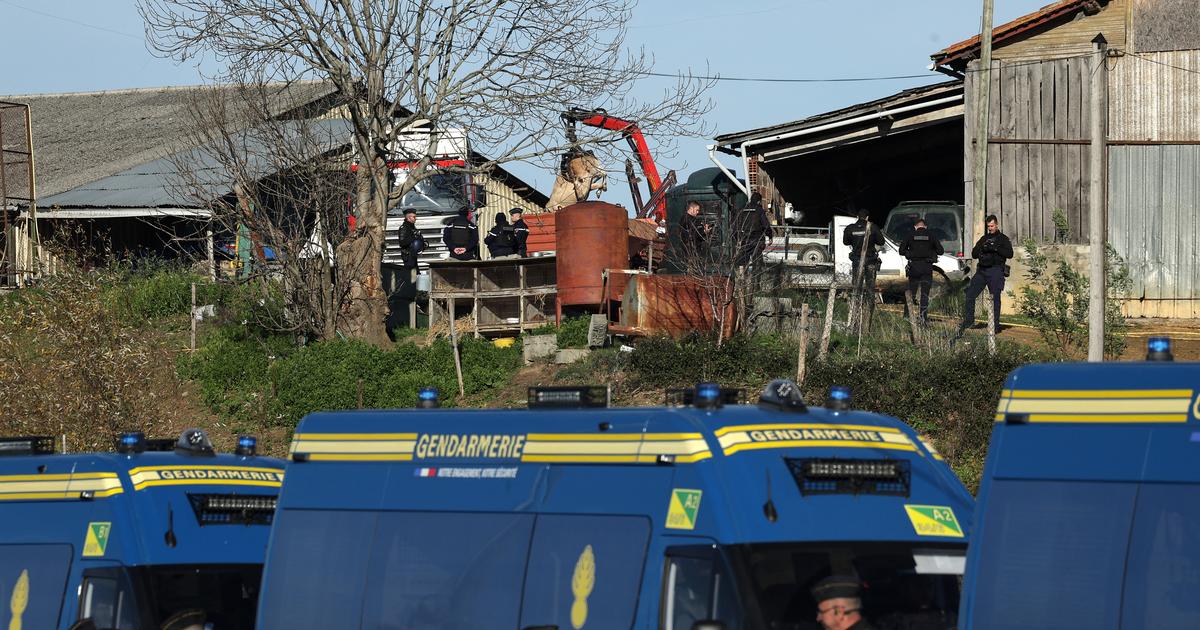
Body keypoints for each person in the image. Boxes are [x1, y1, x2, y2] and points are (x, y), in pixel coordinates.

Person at [958, 214, 1013, 336]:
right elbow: (974, 254)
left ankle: (995, 326)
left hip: (995, 271)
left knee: (995, 299)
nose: (990, 228)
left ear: (997, 224)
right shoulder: (984, 239)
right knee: (970, 294)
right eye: (988, 226)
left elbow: (1009, 254)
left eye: (992, 226)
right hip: (982, 271)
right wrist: (982, 247)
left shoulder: (1003, 239)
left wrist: (995, 248)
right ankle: (969, 321)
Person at [899, 218, 944, 324]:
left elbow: (901, 251)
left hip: (914, 267)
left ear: (915, 227)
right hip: (926, 267)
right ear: (925, 227)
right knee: (925, 294)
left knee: (911, 293)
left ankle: (907, 315)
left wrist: (910, 253)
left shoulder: (910, 235)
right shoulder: (931, 235)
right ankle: (923, 317)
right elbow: (940, 251)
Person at [842, 209, 885, 292]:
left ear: (857, 217)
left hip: (857, 259)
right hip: (870, 259)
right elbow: (881, 242)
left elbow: (845, 242)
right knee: (870, 285)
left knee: (857, 285)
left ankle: (856, 302)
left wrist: (854, 241)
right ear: (867, 217)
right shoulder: (873, 227)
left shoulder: (850, 228)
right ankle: (869, 303)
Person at [734, 192, 771, 265]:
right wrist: (770, 236)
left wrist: (738, 238)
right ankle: (756, 275)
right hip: (757, 240)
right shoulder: (759, 210)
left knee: (743, 261)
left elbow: (736, 226)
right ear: (759, 201)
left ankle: (743, 275)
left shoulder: (743, 210)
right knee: (757, 262)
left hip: (745, 239)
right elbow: (765, 225)